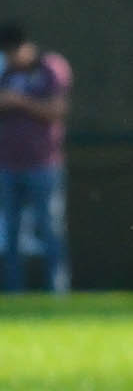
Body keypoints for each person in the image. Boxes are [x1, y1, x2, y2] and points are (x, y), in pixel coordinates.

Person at [0, 22, 72, 293]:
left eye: (12, 51)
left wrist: (19, 101)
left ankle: (58, 291)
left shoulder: (50, 67)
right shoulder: (4, 71)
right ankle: (13, 292)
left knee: (50, 229)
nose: (9, 58)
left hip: (44, 164)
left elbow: (57, 109)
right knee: (11, 233)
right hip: (7, 164)